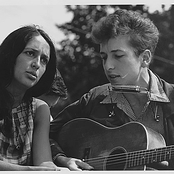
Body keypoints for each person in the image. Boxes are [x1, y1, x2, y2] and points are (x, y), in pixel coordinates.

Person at [49, 9, 174, 170]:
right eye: (104, 57)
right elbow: (46, 134)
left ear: (145, 58)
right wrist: (61, 159)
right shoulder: (95, 98)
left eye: (118, 56)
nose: (108, 66)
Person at [0, 25, 69, 171]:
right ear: (11, 54)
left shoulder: (40, 109)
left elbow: (44, 163)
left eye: (44, 60)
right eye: (30, 53)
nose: (37, 64)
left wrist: (60, 169)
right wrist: (28, 171)